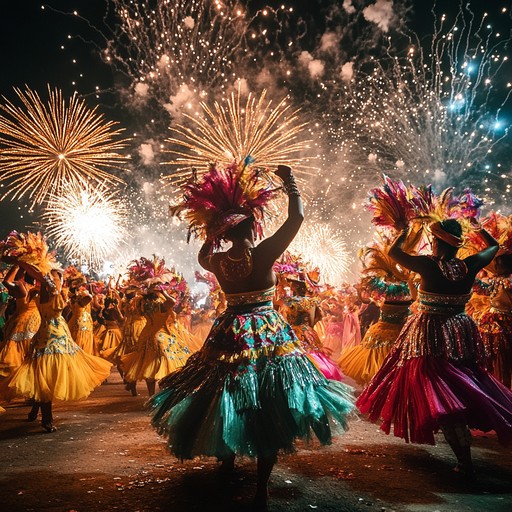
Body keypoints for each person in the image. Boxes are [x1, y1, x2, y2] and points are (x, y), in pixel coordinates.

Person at [148, 163, 354, 509]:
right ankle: (260, 489)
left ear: (223, 233)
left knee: (225, 394)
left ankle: (226, 467)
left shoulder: (215, 260)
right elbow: (296, 219)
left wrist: (212, 229)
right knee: (270, 401)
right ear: (254, 227)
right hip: (267, 332)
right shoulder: (263, 254)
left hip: (229, 330)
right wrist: (290, 185)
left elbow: (201, 254)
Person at [357, 219, 512, 478]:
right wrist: (479, 229)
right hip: (460, 330)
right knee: (456, 383)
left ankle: (464, 460)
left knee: (437, 386)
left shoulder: (428, 264)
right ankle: (463, 453)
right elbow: (494, 246)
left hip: (430, 331)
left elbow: (394, 253)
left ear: (437, 241)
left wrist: (403, 230)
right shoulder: (470, 264)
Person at [477, 253, 512, 388]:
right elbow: (481, 289)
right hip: (493, 325)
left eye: (500, 262)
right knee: (494, 359)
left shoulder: (508, 281)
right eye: (496, 262)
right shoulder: (495, 281)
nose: (496, 265)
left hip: (506, 324)